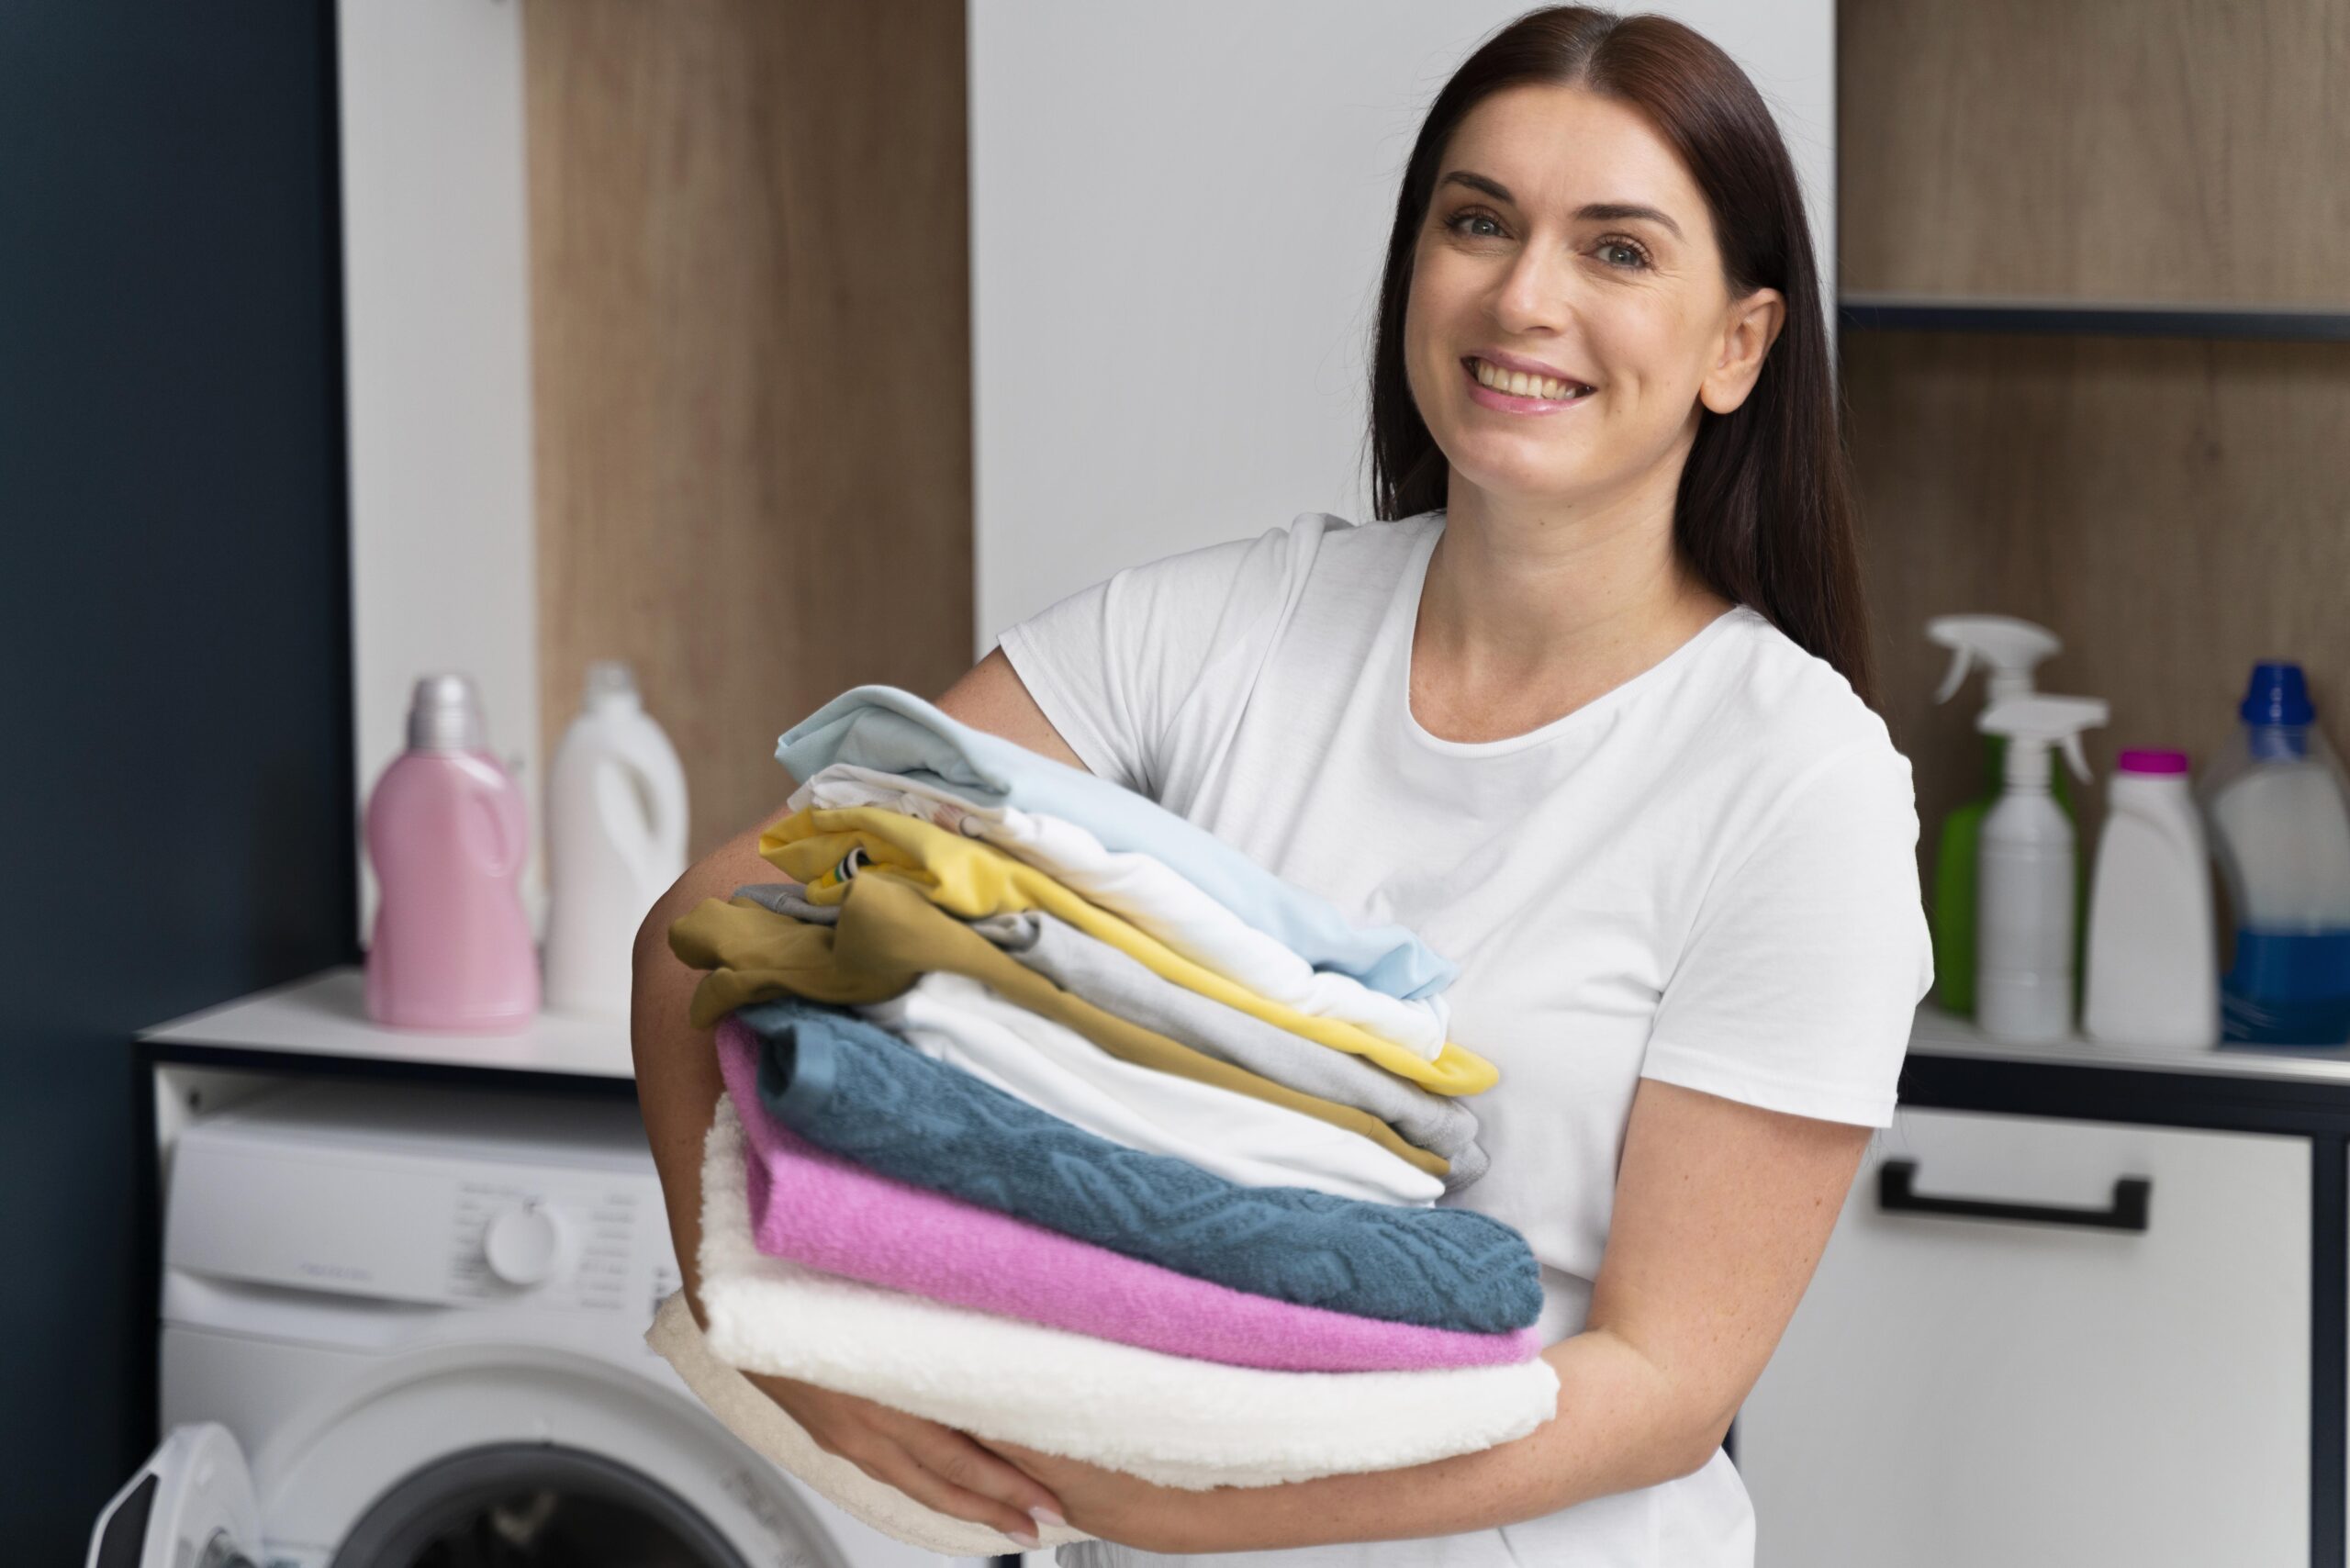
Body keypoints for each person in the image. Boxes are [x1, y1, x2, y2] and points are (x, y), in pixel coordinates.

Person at [629, 6, 1933, 1563]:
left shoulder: (1799, 784)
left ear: (1741, 345)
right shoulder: (1212, 632)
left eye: (1619, 251)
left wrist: (1210, 1504)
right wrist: (766, 1314)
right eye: (1479, 222)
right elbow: (711, 922)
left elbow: (1663, 1382)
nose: (1527, 297)